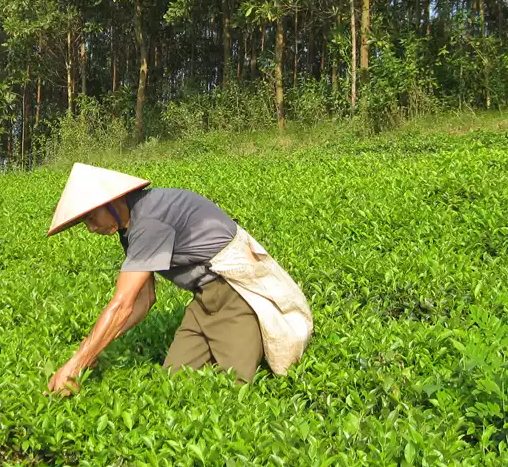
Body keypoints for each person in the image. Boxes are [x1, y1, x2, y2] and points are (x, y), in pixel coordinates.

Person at [46, 164, 313, 394]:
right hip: (204, 300)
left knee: (234, 387)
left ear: (113, 203)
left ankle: (250, 333)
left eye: (92, 217)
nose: (92, 228)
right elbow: (144, 300)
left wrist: (77, 363)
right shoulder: (131, 229)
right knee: (173, 383)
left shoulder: (149, 223)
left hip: (234, 294)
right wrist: (91, 348)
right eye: (85, 222)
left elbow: (122, 304)